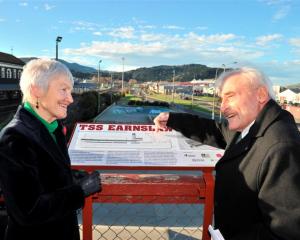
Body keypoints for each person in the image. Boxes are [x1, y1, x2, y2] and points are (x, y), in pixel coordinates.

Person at [154, 67, 300, 240]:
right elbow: (216, 130)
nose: (222, 107)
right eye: (221, 99)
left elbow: (285, 232)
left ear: (260, 95)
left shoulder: (281, 147)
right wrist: (172, 119)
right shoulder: (252, 126)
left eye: (230, 96)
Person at [0, 59, 101, 240]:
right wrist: (79, 192)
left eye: (70, 91)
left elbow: (43, 174)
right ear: (36, 90)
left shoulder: (52, 128)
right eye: (63, 90)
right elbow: (27, 211)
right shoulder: (14, 138)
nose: (70, 99)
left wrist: (71, 176)